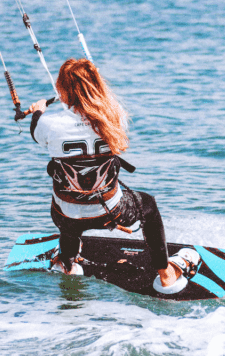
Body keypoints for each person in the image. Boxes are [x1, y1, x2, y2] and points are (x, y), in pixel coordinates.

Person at [27, 58, 195, 293]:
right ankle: (165, 275)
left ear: (63, 89)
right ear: (97, 86)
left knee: (66, 209)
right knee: (148, 205)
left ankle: (67, 264)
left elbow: (36, 131)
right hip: (111, 211)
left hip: (66, 216)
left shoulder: (48, 124)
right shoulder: (114, 118)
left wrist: (37, 111)